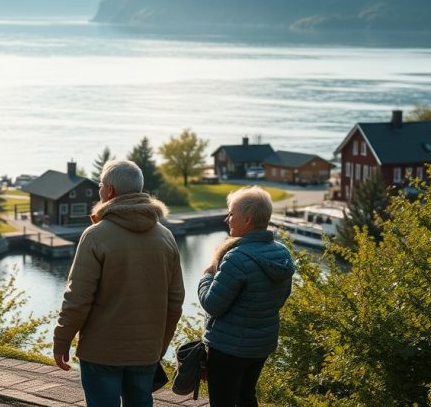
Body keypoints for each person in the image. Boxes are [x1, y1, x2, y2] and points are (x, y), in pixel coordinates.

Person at [53, 159, 185, 407]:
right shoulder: (165, 237)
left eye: (100, 185)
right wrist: (159, 345)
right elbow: (176, 300)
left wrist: (62, 340)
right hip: (146, 352)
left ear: (110, 191)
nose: (99, 190)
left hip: (101, 351)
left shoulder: (95, 235)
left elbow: (77, 298)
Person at [198, 186, 295, 407]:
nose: (227, 219)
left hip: (228, 347)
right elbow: (282, 298)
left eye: (232, 214)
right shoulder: (281, 253)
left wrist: (206, 277)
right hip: (261, 344)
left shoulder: (236, 258)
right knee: (246, 396)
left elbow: (212, 305)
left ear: (248, 219)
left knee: (223, 401)